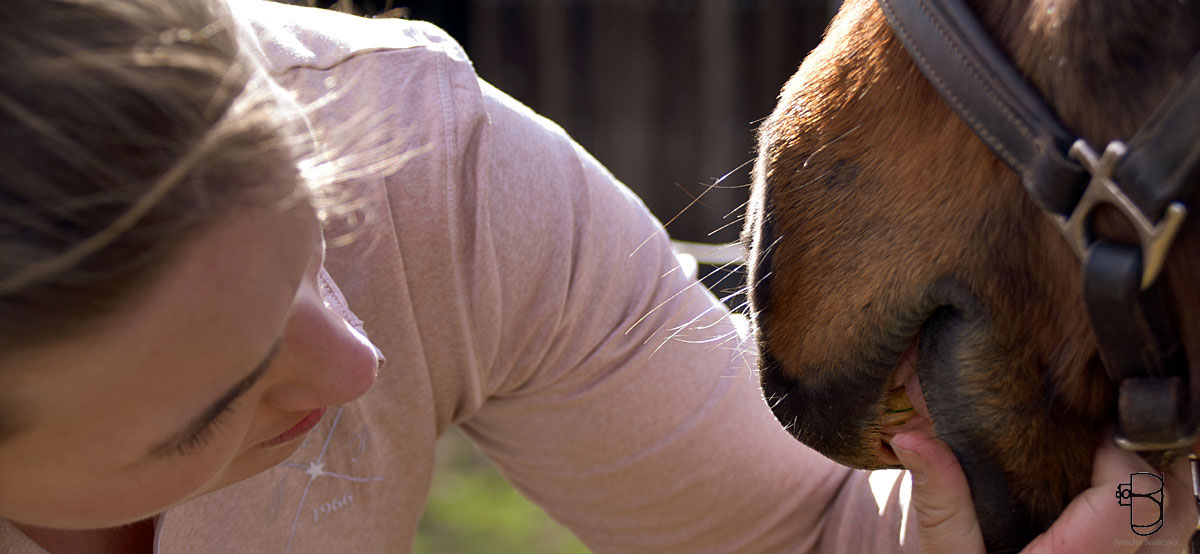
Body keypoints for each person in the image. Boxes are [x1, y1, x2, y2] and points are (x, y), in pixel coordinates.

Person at [0, 1, 1192, 553]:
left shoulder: (412, 158)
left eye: (316, 234)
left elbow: (806, 528)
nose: (359, 362)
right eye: (216, 395)